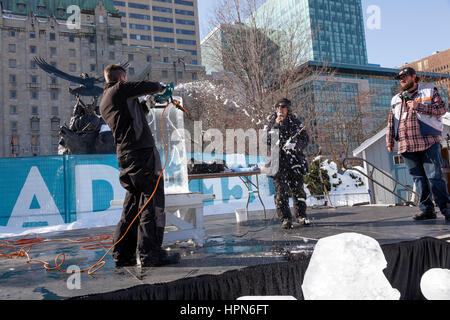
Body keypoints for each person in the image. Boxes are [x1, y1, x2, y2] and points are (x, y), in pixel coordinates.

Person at [100, 64, 181, 267]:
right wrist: (160, 86)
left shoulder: (107, 100)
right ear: (122, 79)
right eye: (126, 80)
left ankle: (122, 254)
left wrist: (149, 103)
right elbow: (143, 85)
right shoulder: (119, 89)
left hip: (126, 156)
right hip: (141, 154)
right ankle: (150, 254)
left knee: (132, 206)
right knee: (151, 203)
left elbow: (133, 115)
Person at [386, 67, 450, 222]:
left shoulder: (429, 92)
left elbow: (442, 109)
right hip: (406, 145)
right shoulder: (396, 99)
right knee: (418, 179)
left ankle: (446, 208)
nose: (402, 80)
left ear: (414, 77)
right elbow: (391, 121)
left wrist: (419, 106)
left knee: (434, 177)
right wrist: (389, 140)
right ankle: (427, 209)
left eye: (405, 77)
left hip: (428, 141)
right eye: (400, 78)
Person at [266, 98, 310, 229]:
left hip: (294, 161)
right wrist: (276, 126)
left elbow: (305, 139)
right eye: (277, 106)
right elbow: (267, 140)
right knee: (281, 192)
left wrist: (295, 145)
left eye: (283, 106)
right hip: (278, 162)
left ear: (288, 108)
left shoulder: (296, 122)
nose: (280, 109)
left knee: (298, 190)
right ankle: (285, 218)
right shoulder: (271, 123)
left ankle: (301, 216)